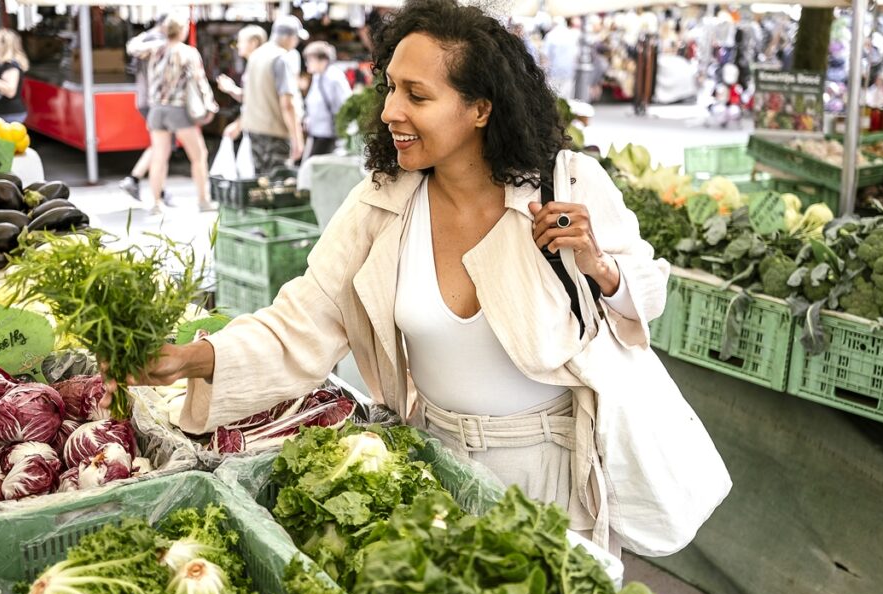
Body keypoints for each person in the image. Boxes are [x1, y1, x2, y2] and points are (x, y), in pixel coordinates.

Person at [103, 0, 668, 555]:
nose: (391, 111)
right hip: (432, 468)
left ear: (480, 109)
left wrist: (601, 266)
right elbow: (306, 316)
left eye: (417, 95)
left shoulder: (568, 183)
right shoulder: (382, 203)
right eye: (390, 88)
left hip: (553, 474)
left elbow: (650, 292)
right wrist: (192, 358)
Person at [145, 15, 218, 214]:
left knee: (159, 156)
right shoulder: (188, 52)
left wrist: (154, 32)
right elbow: (199, 81)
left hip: (156, 109)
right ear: (182, 30)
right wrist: (210, 106)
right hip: (178, 110)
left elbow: (132, 46)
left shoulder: (154, 50)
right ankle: (203, 200)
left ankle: (156, 202)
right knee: (198, 154)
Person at [241, 15, 307, 175]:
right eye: (296, 38)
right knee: (277, 183)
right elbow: (287, 104)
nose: (296, 43)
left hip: (254, 129)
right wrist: (297, 138)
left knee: (260, 181)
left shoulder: (255, 55)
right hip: (275, 132)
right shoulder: (281, 59)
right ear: (288, 37)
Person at [119, 18, 174, 206]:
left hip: (145, 99)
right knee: (162, 146)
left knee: (160, 145)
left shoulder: (142, 41)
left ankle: (147, 185)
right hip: (156, 101)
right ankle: (147, 187)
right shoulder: (160, 42)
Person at [215, 24, 268, 161]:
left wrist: (239, 124)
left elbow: (257, 100)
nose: (237, 45)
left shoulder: (260, 65)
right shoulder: (254, 64)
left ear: (254, 42)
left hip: (261, 128)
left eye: (240, 41)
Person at [301, 40, 352, 158]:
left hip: (329, 136)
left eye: (310, 59)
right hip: (318, 132)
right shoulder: (318, 76)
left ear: (323, 60)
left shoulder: (334, 78)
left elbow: (343, 107)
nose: (307, 63)